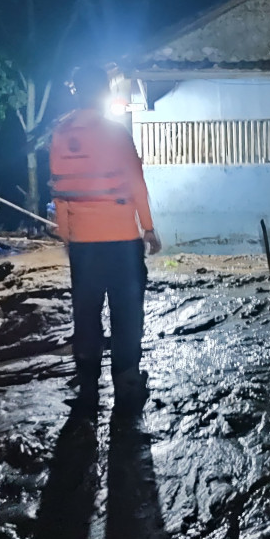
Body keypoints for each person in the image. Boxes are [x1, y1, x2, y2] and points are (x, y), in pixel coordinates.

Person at [49, 66, 162, 410]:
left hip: (83, 245)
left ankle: (87, 385)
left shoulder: (60, 135)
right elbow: (136, 183)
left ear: (75, 93)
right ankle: (127, 383)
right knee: (126, 314)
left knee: (86, 314)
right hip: (122, 242)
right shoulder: (116, 133)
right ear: (103, 93)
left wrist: (68, 237)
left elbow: (60, 194)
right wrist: (148, 227)